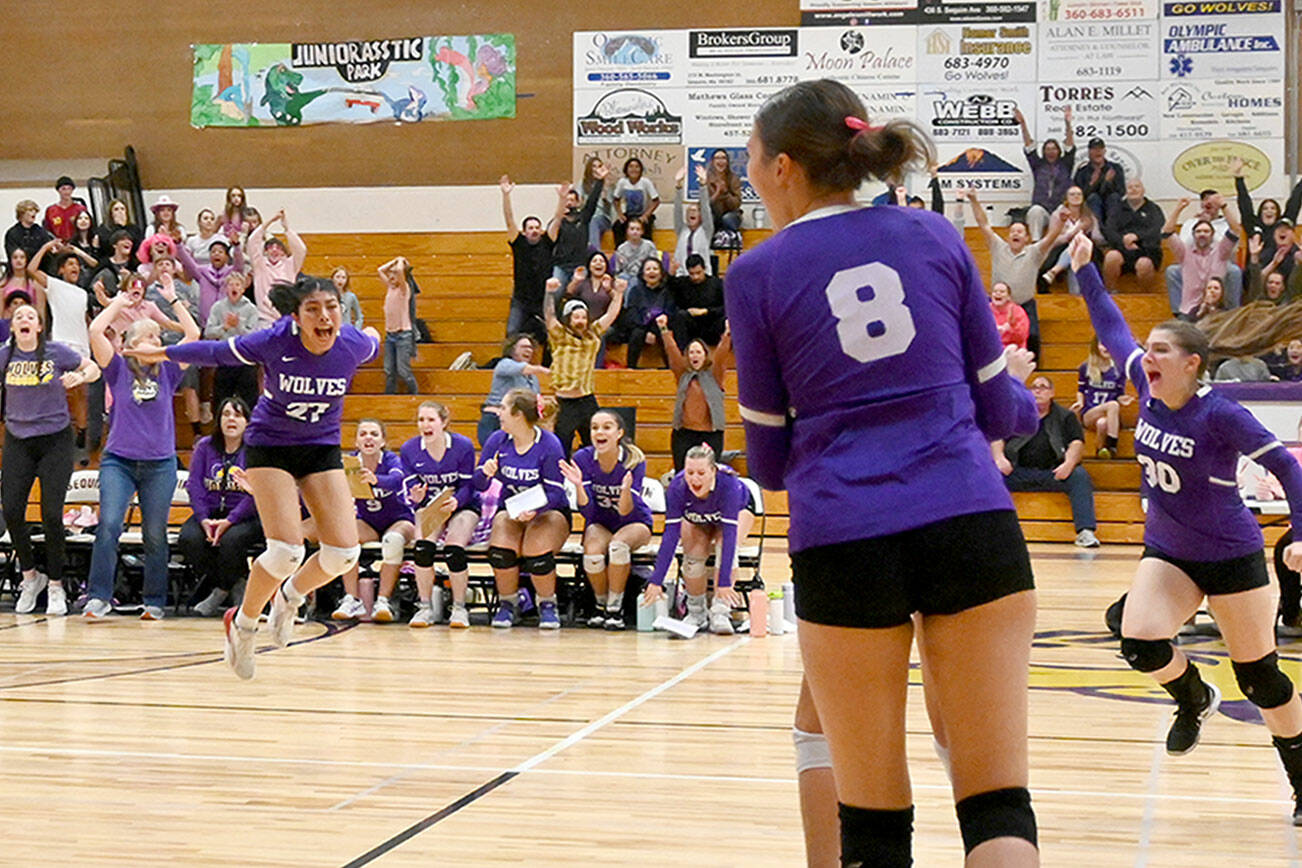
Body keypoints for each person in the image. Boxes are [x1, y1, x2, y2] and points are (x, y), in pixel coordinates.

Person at [725, 79, 1041, 866]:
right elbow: (998, 412)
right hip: (969, 517)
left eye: (753, 160)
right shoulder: (933, 236)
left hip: (845, 536)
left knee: (871, 822)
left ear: (787, 167)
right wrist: (1011, 404)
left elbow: (767, 462)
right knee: (998, 805)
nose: (752, 174)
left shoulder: (756, 274)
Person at [1071, 230, 1302, 823]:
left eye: (1161, 352)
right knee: (1140, 640)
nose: (1146, 358)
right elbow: (1109, 326)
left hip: (1231, 555)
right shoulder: (1144, 391)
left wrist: (1299, 534)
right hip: (1169, 550)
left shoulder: (1221, 413)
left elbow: (1286, 468)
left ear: (1192, 363)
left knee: (1262, 682)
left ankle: (1301, 778)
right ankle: (1193, 695)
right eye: (1148, 350)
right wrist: (1086, 270)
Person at [134, 275, 381, 678]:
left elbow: (373, 336)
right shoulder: (274, 342)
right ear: (297, 317)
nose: (324, 317)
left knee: (343, 553)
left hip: (320, 446)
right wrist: (161, 351)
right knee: (285, 551)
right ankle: (244, 625)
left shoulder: (355, 344)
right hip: (271, 445)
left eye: (331, 307)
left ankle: (291, 595)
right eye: (313, 309)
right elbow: (215, 352)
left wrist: (374, 325)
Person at [83, 272, 200, 620]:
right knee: (109, 526)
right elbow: (94, 332)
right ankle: (98, 597)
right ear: (131, 342)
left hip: (160, 464)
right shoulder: (117, 368)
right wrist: (120, 302)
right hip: (118, 461)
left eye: (158, 335)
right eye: (150, 334)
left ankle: (153, 601)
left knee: (154, 533)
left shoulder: (170, 371)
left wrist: (172, 298)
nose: (157, 339)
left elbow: (193, 335)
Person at [2, 303, 100, 617]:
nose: (24, 319)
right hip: (17, 439)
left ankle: (56, 585)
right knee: (13, 510)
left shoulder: (57, 352)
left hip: (55, 440)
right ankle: (32, 576)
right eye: (19, 317)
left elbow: (94, 369)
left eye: (30, 316)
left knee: (51, 514)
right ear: (13, 327)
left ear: (39, 326)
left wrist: (79, 376)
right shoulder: (5, 356)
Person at [475, 388, 570, 630]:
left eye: (504, 408)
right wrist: (485, 474)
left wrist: (535, 511)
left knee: (535, 549)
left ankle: (547, 604)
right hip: (512, 509)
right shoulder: (498, 440)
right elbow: (477, 483)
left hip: (547, 511)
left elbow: (556, 493)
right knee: (501, 548)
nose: (499, 413)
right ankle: (509, 603)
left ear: (518, 415)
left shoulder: (549, 444)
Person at [642, 444, 755, 635]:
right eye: (690, 472)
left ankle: (721, 610)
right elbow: (670, 536)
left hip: (737, 511)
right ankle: (696, 611)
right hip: (697, 516)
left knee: (724, 547)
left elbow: (728, 537)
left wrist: (725, 583)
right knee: (693, 554)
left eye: (701, 473)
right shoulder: (677, 487)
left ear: (713, 470)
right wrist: (656, 580)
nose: (694, 479)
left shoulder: (729, 485)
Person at [559, 409, 653, 630]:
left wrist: (626, 491)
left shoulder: (633, 459)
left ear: (619, 433)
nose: (599, 432)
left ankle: (615, 607)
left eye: (606, 427)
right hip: (601, 520)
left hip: (634, 521)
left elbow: (626, 512)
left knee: (618, 546)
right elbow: (588, 513)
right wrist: (579, 486)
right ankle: (600, 604)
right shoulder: (582, 458)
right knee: (592, 551)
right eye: (594, 427)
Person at [993, 375, 1100, 548]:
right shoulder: (1016, 414)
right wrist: (999, 458)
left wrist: (1068, 464)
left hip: (1052, 472)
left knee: (1079, 476)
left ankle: (1085, 532)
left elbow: (1077, 443)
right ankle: (992, 531)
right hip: (1018, 471)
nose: (1037, 390)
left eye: (1043, 387)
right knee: (990, 475)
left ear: (1052, 392)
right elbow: (997, 437)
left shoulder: (1065, 416)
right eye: (1034, 387)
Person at [326, 419, 416, 623]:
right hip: (368, 521)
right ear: (356, 442)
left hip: (399, 519)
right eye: (363, 434)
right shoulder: (349, 464)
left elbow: (397, 480)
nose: (368, 437)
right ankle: (351, 598)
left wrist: (376, 479)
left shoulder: (391, 460)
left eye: (374, 434)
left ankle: (383, 601)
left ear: (383, 441)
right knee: (346, 536)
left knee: (393, 540)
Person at [400, 401, 480, 628]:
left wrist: (456, 501)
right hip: (431, 506)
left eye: (431, 419)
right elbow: (411, 489)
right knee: (423, 547)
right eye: (421, 420)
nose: (425, 424)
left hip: (462, 505)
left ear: (444, 422)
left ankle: (459, 608)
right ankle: (424, 607)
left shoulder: (462, 445)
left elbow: (468, 486)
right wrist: (416, 497)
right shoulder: (409, 449)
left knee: (454, 549)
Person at [182, 397, 263, 617]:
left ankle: (220, 592)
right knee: (189, 538)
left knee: (231, 540)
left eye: (237, 415)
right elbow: (195, 485)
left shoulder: (255, 448)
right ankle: (235, 584)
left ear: (247, 421)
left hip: (246, 515)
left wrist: (230, 520)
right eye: (226, 414)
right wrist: (203, 519)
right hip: (210, 513)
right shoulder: (205, 447)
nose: (231, 420)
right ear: (218, 420)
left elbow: (256, 493)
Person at [965, 187, 1064, 359]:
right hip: (997, 304)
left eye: (1020, 232)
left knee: (1032, 337)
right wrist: (974, 200)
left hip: (1024, 304)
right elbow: (984, 224)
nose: (1015, 234)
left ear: (1026, 238)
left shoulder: (1034, 252)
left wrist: (1060, 223)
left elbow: (1050, 238)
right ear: (1008, 236)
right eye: (1012, 232)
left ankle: (1034, 376)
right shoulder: (998, 246)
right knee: (984, 338)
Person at [543, 275, 625, 457]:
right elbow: (549, 317)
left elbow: (611, 315)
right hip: (564, 401)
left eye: (583, 316)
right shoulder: (560, 335)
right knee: (562, 445)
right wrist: (549, 293)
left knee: (596, 443)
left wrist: (618, 293)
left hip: (587, 399)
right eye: (576, 317)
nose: (580, 320)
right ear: (569, 319)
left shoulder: (593, 334)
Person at [656, 314, 731, 471]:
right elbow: (672, 352)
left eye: (698, 352)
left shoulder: (715, 375)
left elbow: (722, 355)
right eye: (691, 352)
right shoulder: (683, 374)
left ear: (705, 355)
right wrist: (664, 329)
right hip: (684, 434)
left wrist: (728, 334)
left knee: (709, 473)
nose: (694, 356)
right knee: (681, 473)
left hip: (711, 434)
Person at [1164, 199, 1243, 316]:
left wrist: (1224, 206)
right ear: (1193, 235)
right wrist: (1178, 209)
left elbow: (1236, 230)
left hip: (1217, 311)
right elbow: (1167, 232)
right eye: (1198, 231)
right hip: (1190, 310)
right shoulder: (1184, 252)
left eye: (1206, 231)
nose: (1202, 234)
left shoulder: (1221, 251)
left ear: (1212, 235)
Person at [500, 174, 553, 344]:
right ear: (524, 231)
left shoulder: (547, 242)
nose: (534, 230)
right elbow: (509, 220)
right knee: (511, 332)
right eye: (530, 228)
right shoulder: (519, 243)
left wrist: (562, 198)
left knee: (551, 335)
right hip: (521, 300)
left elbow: (558, 219)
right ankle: (508, 366)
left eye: (537, 227)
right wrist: (506, 195)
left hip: (542, 300)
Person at [1016, 107, 1075, 241]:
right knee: (1034, 211)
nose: (1050, 151)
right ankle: (1036, 244)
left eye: (1054, 148)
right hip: (1042, 209)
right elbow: (1029, 145)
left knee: (1063, 211)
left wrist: (1067, 124)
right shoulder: (1038, 165)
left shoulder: (1066, 163)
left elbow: (1070, 145)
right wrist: (1023, 124)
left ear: (1059, 151)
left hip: (1058, 208)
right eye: (1047, 149)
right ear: (1044, 152)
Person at [477, 333, 546, 447]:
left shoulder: (533, 378)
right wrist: (545, 370)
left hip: (516, 422)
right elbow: (522, 368)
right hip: (494, 420)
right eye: (523, 347)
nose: (528, 350)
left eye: (530, 347)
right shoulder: (504, 364)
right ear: (513, 349)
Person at [204, 272, 261, 410]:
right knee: (221, 399)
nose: (234, 287)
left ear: (243, 289)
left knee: (249, 401)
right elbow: (208, 333)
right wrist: (225, 327)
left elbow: (254, 337)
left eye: (237, 285)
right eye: (230, 284)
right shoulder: (218, 307)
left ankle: (249, 428)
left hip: (246, 359)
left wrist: (238, 326)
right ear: (226, 288)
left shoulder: (251, 309)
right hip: (225, 357)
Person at [1234, 156, 1302, 264]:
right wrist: (1238, 179)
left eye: (1273, 208)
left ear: (1278, 212)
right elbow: (1245, 204)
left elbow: (1295, 202)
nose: (1269, 211)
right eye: (1265, 208)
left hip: (1282, 271)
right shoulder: (1252, 225)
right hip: (1256, 271)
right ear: (1260, 212)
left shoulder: (1284, 225)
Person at [608, 257, 674, 370]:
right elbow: (632, 314)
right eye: (648, 269)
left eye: (655, 269)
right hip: (639, 327)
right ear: (643, 274)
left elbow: (670, 311)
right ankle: (631, 368)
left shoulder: (667, 292)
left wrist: (654, 331)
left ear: (661, 273)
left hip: (660, 327)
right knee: (637, 333)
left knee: (664, 334)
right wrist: (646, 332)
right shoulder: (636, 291)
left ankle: (671, 368)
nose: (652, 272)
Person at [1072, 336, 1132, 458]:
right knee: (1112, 405)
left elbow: (1119, 394)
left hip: (1109, 416)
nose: (1106, 347)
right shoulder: (1086, 367)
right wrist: (1080, 402)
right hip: (1090, 412)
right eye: (1102, 344)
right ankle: (1113, 444)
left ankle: (1101, 451)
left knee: (1102, 423)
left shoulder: (1118, 369)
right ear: (1096, 347)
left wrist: (1123, 399)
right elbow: (1081, 390)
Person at [248, 209, 308, 326]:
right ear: (265, 251)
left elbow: (301, 250)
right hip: (264, 320)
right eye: (270, 247)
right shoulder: (259, 265)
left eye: (278, 247)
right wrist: (268, 222)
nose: (274, 250)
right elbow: (252, 242)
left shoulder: (290, 265)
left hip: (286, 319)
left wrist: (287, 229)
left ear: (284, 252)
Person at [1101, 179, 1165, 285]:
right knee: (1111, 257)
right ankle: (1110, 293)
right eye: (1130, 187)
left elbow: (1156, 230)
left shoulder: (1153, 209)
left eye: (1137, 186)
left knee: (1143, 264)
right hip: (1122, 249)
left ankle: (1145, 298)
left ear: (1143, 190)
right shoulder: (1117, 209)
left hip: (1147, 251)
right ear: (1126, 191)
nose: (1133, 190)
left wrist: (1137, 237)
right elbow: (1109, 231)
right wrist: (1124, 241)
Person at [549, 171, 606, 287]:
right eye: (566, 200)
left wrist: (600, 181)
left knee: (582, 292)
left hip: (579, 266)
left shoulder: (583, 218)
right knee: (555, 291)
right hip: (561, 266)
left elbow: (592, 201)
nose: (569, 203)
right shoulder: (557, 222)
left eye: (572, 200)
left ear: (578, 202)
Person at [378, 255, 418, 394]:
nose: (391, 275)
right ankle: (389, 395)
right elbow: (380, 270)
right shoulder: (390, 287)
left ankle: (414, 394)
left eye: (395, 273)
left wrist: (400, 262)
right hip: (390, 335)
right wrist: (394, 261)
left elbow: (401, 272)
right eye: (391, 273)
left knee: (403, 370)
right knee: (389, 370)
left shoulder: (404, 288)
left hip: (403, 335)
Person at [668, 253, 726, 348]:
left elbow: (725, 307)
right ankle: (682, 354)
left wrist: (706, 311)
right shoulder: (683, 283)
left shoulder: (716, 284)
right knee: (680, 316)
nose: (696, 277)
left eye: (698, 273)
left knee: (725, 321)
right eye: (692, 274)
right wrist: (671, 274)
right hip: (691, 326)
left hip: (711, 324)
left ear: (704, 269)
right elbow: (668, 287)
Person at [672, 166, 714, 276]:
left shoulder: (706, 230)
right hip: (682, 275)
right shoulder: (681, 229)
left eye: (695, 211)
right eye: (689, 211)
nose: (691, 213)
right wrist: (678, 186)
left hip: (702, 276)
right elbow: (677, 209)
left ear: (701, 215)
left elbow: (705, 207)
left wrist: (703, 185)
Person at [1072, 137, 1125, 221]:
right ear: (1089, 152)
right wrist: (1092, 183)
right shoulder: (1082, 172)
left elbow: (1121, 191)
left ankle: (1112, 229)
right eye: (1094, 149)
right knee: (1093, 198)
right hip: (1091, 207)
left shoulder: (1115, 168)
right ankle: (1096, 230)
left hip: (1111, 205)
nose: (1098, 151)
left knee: (1114, 197)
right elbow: (1078, 195)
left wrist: (1107, 182)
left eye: (1100, 149)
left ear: (1104, 151)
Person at [612, 157, 660, 247]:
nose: (634, 169)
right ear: (626, 169)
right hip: (629, 215)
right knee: (617, 226)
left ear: (641, 169)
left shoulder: (646, 182)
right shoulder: (622, 182)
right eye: (631, 166)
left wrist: (646, 215)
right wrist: (620, 214)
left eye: (637, 167)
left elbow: (656, 201)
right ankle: (620, 250)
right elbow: (615, 199)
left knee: (646, 228)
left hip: (643, 214)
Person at [705, 149, 744, 243]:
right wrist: (717, 193)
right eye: (717, 158)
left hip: (731, 214)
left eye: (723, 158)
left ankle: (731, 238)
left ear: (727, 162)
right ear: (712, 162)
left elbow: (736, 204)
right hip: (714, 214)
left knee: (727, 218)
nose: (720, 161)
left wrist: (726, 193)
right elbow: (704, 205)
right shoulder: (706, 179)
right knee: (707, 218)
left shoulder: (734, 178)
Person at [92, 199, 142, 270]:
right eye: (116, 209)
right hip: (109, 265)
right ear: (111, 213)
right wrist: (118, 227)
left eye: (122, 209)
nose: (120, 212)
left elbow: (136, 246)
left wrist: (123, 227)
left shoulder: (134, 228)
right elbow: (107, 246)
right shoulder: (103, 229)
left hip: (131, 263)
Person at [613, 218, 658, 285]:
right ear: (627, 231)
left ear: (642, 231)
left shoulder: (649, 246)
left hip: (644, 276)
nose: (635, 232)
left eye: (638, 229)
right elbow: (618, 269)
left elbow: (654, 264)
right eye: (632, 229)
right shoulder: (621, 248)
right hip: (627, 277)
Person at [42, 177, 87, 242]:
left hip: (77, 245)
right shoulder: (51, 210)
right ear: (58, 190)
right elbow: (47, 231)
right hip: (58, 246)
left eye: (69, 188)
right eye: (63, 189)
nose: (67, 192)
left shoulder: (80, 209)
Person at [989, 282, 1029, 351]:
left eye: (1002, 292)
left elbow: (1022, 336)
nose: (998, 293)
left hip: (1012, 350)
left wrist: (1008, 330)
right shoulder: (985, 310)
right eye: (995, 291)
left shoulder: (1017, 311)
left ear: (1008, 297)